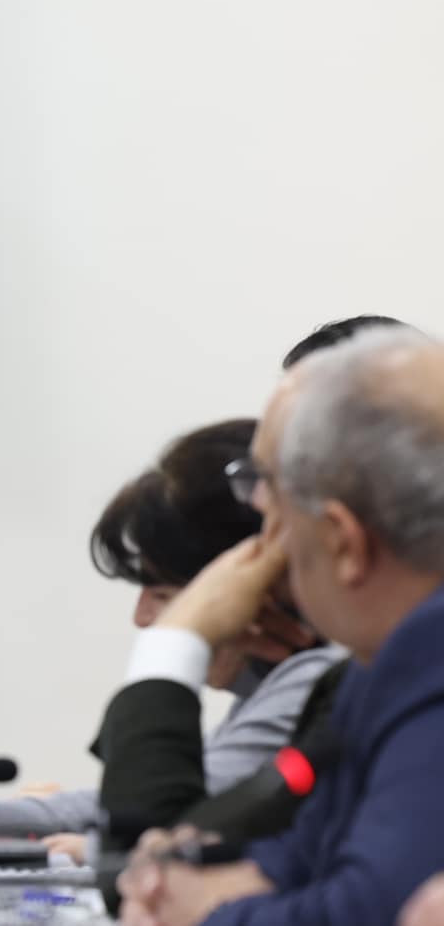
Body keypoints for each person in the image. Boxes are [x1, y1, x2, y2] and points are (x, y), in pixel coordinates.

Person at [119, 328, 444, 925]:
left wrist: (203, 915)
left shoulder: (430, 662)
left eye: (272, 509)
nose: (265, 549)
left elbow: (368, 910)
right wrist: (188, 891)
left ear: (343, 542)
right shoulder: (377, 666)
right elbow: (292, 857)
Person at [0, 420, 335, 843]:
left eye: (164, 595)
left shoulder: (311, 681)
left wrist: (174, 643)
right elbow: (157, 805)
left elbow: (158, 836)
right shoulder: (269, 689)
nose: (142, 618)